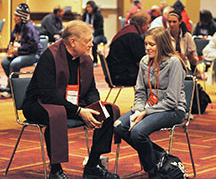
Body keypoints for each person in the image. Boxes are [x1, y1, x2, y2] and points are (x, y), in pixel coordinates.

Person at [22, 20, 120, 179]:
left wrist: (94, 107)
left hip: (72, 105)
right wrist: (79, 111)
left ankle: (93, 165)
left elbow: (91, 89)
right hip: (39, 104)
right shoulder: (50, 56)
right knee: (57, 115)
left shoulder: (85, 58)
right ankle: (56, 170)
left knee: (108, 111)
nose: (91, 45)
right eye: (87, 41)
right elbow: (48, 95)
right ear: (73, 42)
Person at [114, 27, 187, 179]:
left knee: (137, 132)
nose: (147, 48)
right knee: (119, 126)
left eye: (152, 44)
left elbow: (171, 101)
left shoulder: (174, 63)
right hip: (148, 107)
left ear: (162, 45)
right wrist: (138, 109)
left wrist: (145, 112)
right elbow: (140, 91)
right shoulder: (144, 61)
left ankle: (152, 171)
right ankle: (162, 158)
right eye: (146, 44)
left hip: (173, 110)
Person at [0, 3, 42, 98]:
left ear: (22, 17)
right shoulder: (17, 28)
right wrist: (10, 50)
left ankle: (11, 90)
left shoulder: (29, 28)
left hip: (33, 54)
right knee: (5, 62)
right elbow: (12, 41)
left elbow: (33, 46)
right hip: (22, 53)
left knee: (14, 64)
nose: (14, 17)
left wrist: (18, 50)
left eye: (17, 16)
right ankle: (14, 86)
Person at [106, 11, 150, 86]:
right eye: (147, 24)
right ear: (142, 24)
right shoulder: (133, 36)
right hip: (121, 75)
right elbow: (141, 59)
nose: (148, 27)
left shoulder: (127, 30)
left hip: (115, 71)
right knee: (153, 78)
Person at [82, 0, 107, 67]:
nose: (88, 9)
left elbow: (100, 28)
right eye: (87, 7)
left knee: (94, 42)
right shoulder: (85, 15)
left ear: (93, 7)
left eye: (89, 7)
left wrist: (92, 34)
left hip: (98, 34)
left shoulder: (98, 15)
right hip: (87, 33)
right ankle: (83, 59)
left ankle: (95, 60)